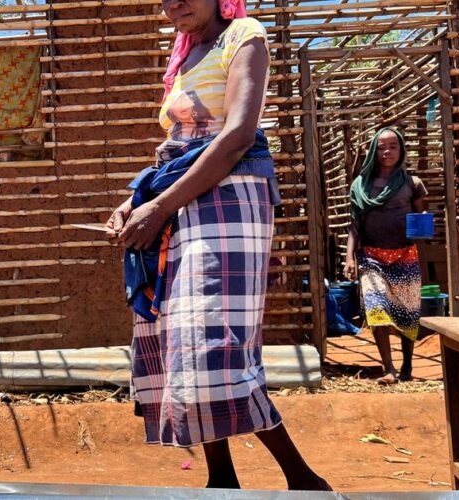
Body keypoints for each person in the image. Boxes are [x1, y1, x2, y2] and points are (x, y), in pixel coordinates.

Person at [106, 0, 329, 490]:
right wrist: (133, 201)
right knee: (181, 339)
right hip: (183, 192)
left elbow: (237, 136)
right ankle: (223, 477)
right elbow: (175, 148)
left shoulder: (243, 34)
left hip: (231, 196)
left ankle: (303, 479)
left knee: (212, 342)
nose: (174, 4)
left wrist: (159, 207)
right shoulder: (183, 52)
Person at [345, 127, 428, 385]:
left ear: (401, 149)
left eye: (393, 146)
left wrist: (423, 225)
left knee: (407, 312)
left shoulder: (411, 184)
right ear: (373, 151)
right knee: (376, 309)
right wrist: (349, 257)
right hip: (371, 257)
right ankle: (388, 369)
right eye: (381, 147)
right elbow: (355, 225)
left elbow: (420, 217)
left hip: (404, 255)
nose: (387, 151)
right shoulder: (360, 186)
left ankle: (407, 365)